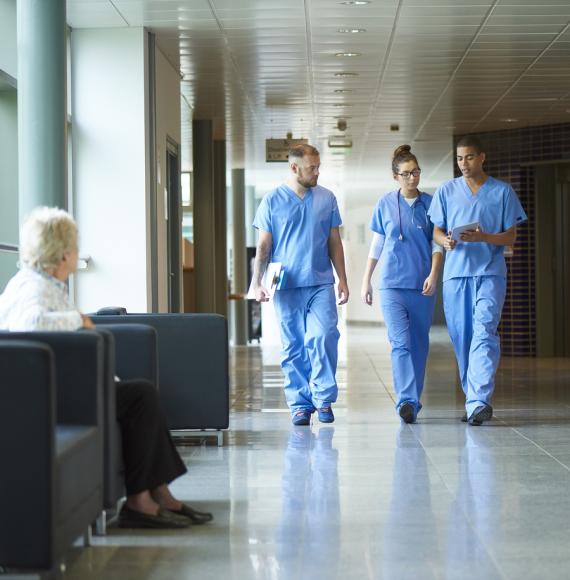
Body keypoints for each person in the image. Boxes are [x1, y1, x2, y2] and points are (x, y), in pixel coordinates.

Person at [0, 207, 213, 529]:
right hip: (54, 393)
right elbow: (30, 322)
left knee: (141, 394)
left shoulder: (45, 284)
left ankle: (157, 493)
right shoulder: (32, 288)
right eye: (74, 245)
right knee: (140, 396)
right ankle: (143, 500)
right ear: (62, 253)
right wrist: (79, 320)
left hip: (65, 384)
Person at [427, 135, 527, 425]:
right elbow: (435, 231)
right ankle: (473, 400)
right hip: (456, 276)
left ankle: (479, 400)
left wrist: (484, 236)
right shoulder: (447, 191)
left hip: (489, 273)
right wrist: (445, 241)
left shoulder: (502, 192)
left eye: (469, 157)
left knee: (484, 332)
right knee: (462, 339)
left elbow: (511, 236)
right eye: (459, 159)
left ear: (482, 157)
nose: (464, 164)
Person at [252, 144, 349, 426]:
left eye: (318, 167)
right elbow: (264, 245)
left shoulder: (326, 198)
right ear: (294, 168)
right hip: (286, 284)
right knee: (293, 346)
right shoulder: (271, 201)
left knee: (324, 335)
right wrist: (257, 282)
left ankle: (323, 397)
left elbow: (334, 241)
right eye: (312, 168)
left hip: (320, 281)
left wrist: (342, 278)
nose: (317, 172)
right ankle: (299, 404)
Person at [361, 145, 443, 423]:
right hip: (392, 285)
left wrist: (434, 274)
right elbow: (377, 243)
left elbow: (437, 243)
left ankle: (414, 399)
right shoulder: (385, 203)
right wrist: (366, 280)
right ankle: (406, 400)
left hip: (422, 286)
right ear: (395, 176)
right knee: (400, 344)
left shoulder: (431, 204)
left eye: (416, 172)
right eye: (406, 173)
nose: (412, 178)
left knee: (419, 344)